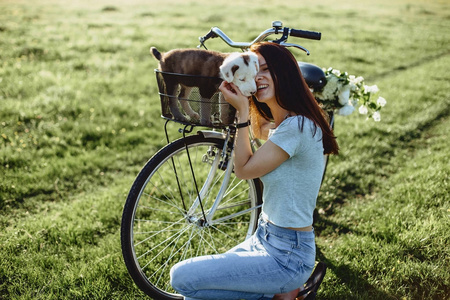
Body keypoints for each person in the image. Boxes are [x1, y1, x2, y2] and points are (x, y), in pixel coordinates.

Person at [170, 42, 339, 300]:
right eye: (252, 71)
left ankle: (283, 293)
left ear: (285, 73)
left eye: (265, 70)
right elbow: (258, 131)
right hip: (264, 238)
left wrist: (240, 112)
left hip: (287, 256)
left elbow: (244, 169)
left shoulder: (297, 128)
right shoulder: (285, 125)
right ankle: (285, 295)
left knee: (181, 277)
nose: (257, 77)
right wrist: (243, 91)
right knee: (194, 295)